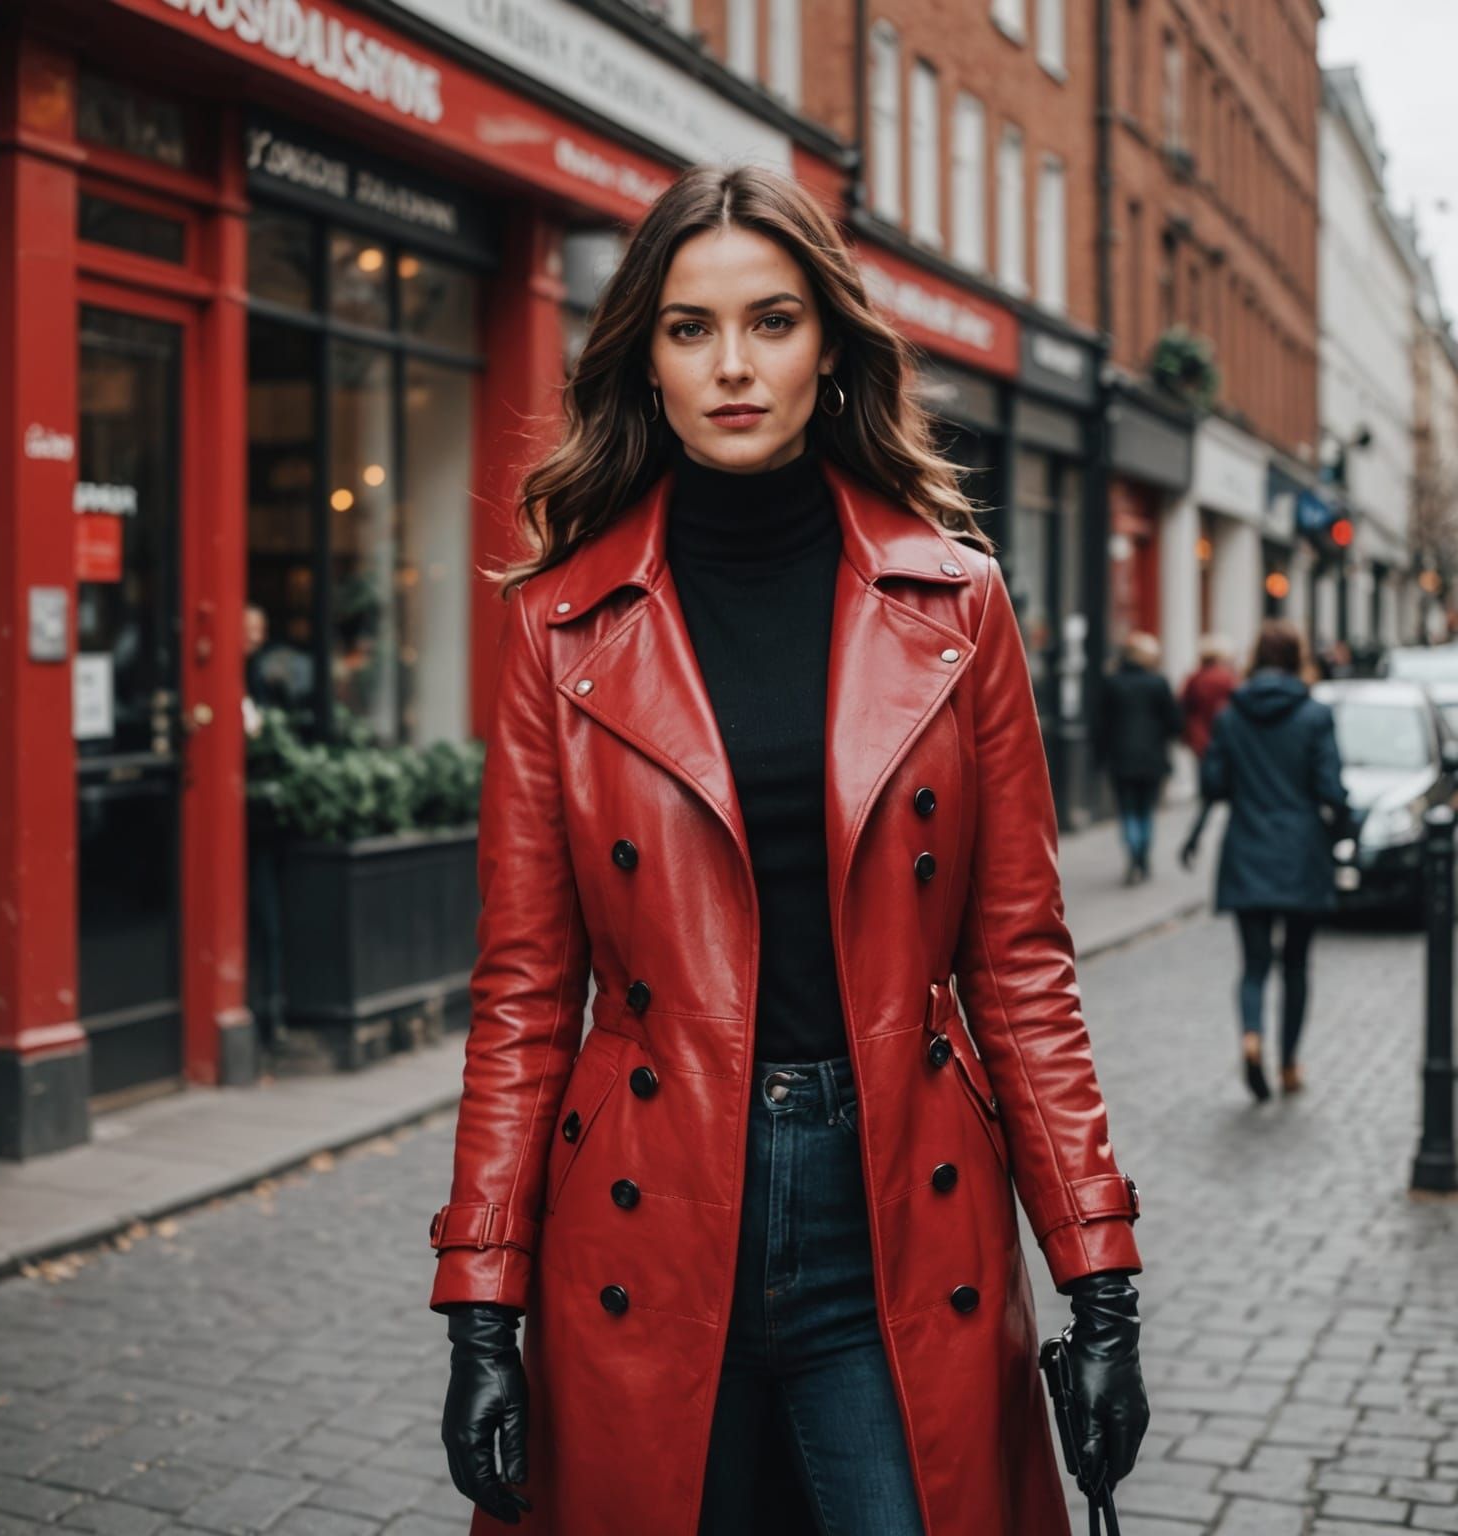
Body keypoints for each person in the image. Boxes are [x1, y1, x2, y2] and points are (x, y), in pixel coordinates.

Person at [428, 166, 1148, 1536]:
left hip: (901, 1212)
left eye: (771, 320)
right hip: (643, 1212)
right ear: (645, 361)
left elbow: (1019, 968)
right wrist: (479, 1307)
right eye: (690, 328)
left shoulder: (957, 606)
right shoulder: (560, 626)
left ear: (830, 345)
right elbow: (523, 995)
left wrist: (1098, 1280)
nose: (733, 365)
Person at [1180, 620, 1350, 1102]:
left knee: (1254, 966)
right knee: (1295, 965)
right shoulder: (1315, 715)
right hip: (1301, 853)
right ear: (1297, 659)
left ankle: (1252, 1036)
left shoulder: (1232, 715)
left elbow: (1214, 784)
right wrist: (1342, 832)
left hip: (1247, 848)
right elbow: (1331, 790)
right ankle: (1290, 1063)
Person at [1098, 631, 1183, 885]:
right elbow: (1174, 721)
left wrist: (1100, 756)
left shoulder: (1112, 683)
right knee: (1146, 808)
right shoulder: (1158, 683)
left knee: (1127, 809)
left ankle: (1134, 852)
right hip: (1151, 756)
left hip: (1120, 756)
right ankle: (1142, 854)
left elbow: (1101, 722)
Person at [1179, 634, 1238, 761]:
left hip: (1199, 736)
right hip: (1224, 734)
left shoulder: (1194, 679)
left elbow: (1184, 707)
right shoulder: (1228, 679)